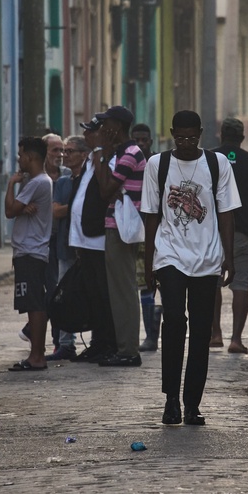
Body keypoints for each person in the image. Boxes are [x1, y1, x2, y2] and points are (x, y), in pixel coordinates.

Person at [142, 110, 239, 426]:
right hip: (170, 255)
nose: (185, 143)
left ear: (201, 133)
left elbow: (226, 212)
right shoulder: (158, 165)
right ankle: (171, 399)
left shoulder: (217, 164)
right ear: (171, 133)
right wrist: (149, 263)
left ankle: (192, 403)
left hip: (207, 258)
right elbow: (151, 216)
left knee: (201, 331)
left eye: (191, 137)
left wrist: (228, 256)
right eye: (179, 137)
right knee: (173, 320)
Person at [211, 117, 248, 354]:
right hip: (243, 233)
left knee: (212, 284)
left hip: (213, 234)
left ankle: (215, 334)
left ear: (220, 135)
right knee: (241, 285)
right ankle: (236, 339)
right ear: (242, 138)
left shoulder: (209, 160)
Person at [93, 106, 146, 367]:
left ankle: (129, 350)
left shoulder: (129, 154)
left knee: (123, 290)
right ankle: (124, 346)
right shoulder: (123, 153)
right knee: (119, 290)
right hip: (115, 225)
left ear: (117, 127)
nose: (103, 130)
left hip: (121, 228)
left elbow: (105, 190)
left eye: (107, 124)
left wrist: (102, 155)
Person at [68, 117, 116, 362]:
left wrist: (99, 155)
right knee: (92, 294)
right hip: (83, 239)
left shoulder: (107, 157)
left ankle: (110, 343)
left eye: (91, 131)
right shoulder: (89, 160)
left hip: (98, 238)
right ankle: (98, 342)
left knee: (104, 294)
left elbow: (105, 189)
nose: (86, 135)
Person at [5, 137, 54, 372]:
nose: (19, 160)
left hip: (31, 251)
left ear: (31, 157)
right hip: (29, 250)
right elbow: (16, 210)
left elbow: (9, 210)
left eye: (21, 155)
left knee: (35, 304)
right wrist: (21, 208)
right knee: (33, 302)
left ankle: (37, 356)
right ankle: (36, 354)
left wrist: (10, 184)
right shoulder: (36, 182)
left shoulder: (37, 182)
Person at [18, 133, 68, 349]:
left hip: (62, 238)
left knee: (59, 289)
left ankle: (58, 341)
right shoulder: (31, 178)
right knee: (48, 288)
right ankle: (39, 335)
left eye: (62, 150)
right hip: (44, 239)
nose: (60, 155)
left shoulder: (66, 176)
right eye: (55, 150)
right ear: (42, 154)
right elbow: (21, 205)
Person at [47, 135, 88, 360]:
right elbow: (55, 211)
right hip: (66, 245)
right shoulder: (63, 182)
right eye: (64, 151)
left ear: (83, 154)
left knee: (90, 293)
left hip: (88, 245)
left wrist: (69, 207)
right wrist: (77, 206)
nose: (65, 155)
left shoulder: (88, 179)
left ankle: (97, 339)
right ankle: (65, 343)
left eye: (70, 151)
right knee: (64, 294)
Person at [132, 124, 162, 353]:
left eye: (144, 139)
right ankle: (150, 336)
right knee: (145, 285)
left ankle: (156, 334)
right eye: (137, 140)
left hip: (161, 231)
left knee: (161, 285)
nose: (141, 144)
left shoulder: (158, 164)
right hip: (137, 232)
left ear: (150, 141)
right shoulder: (128, 164)